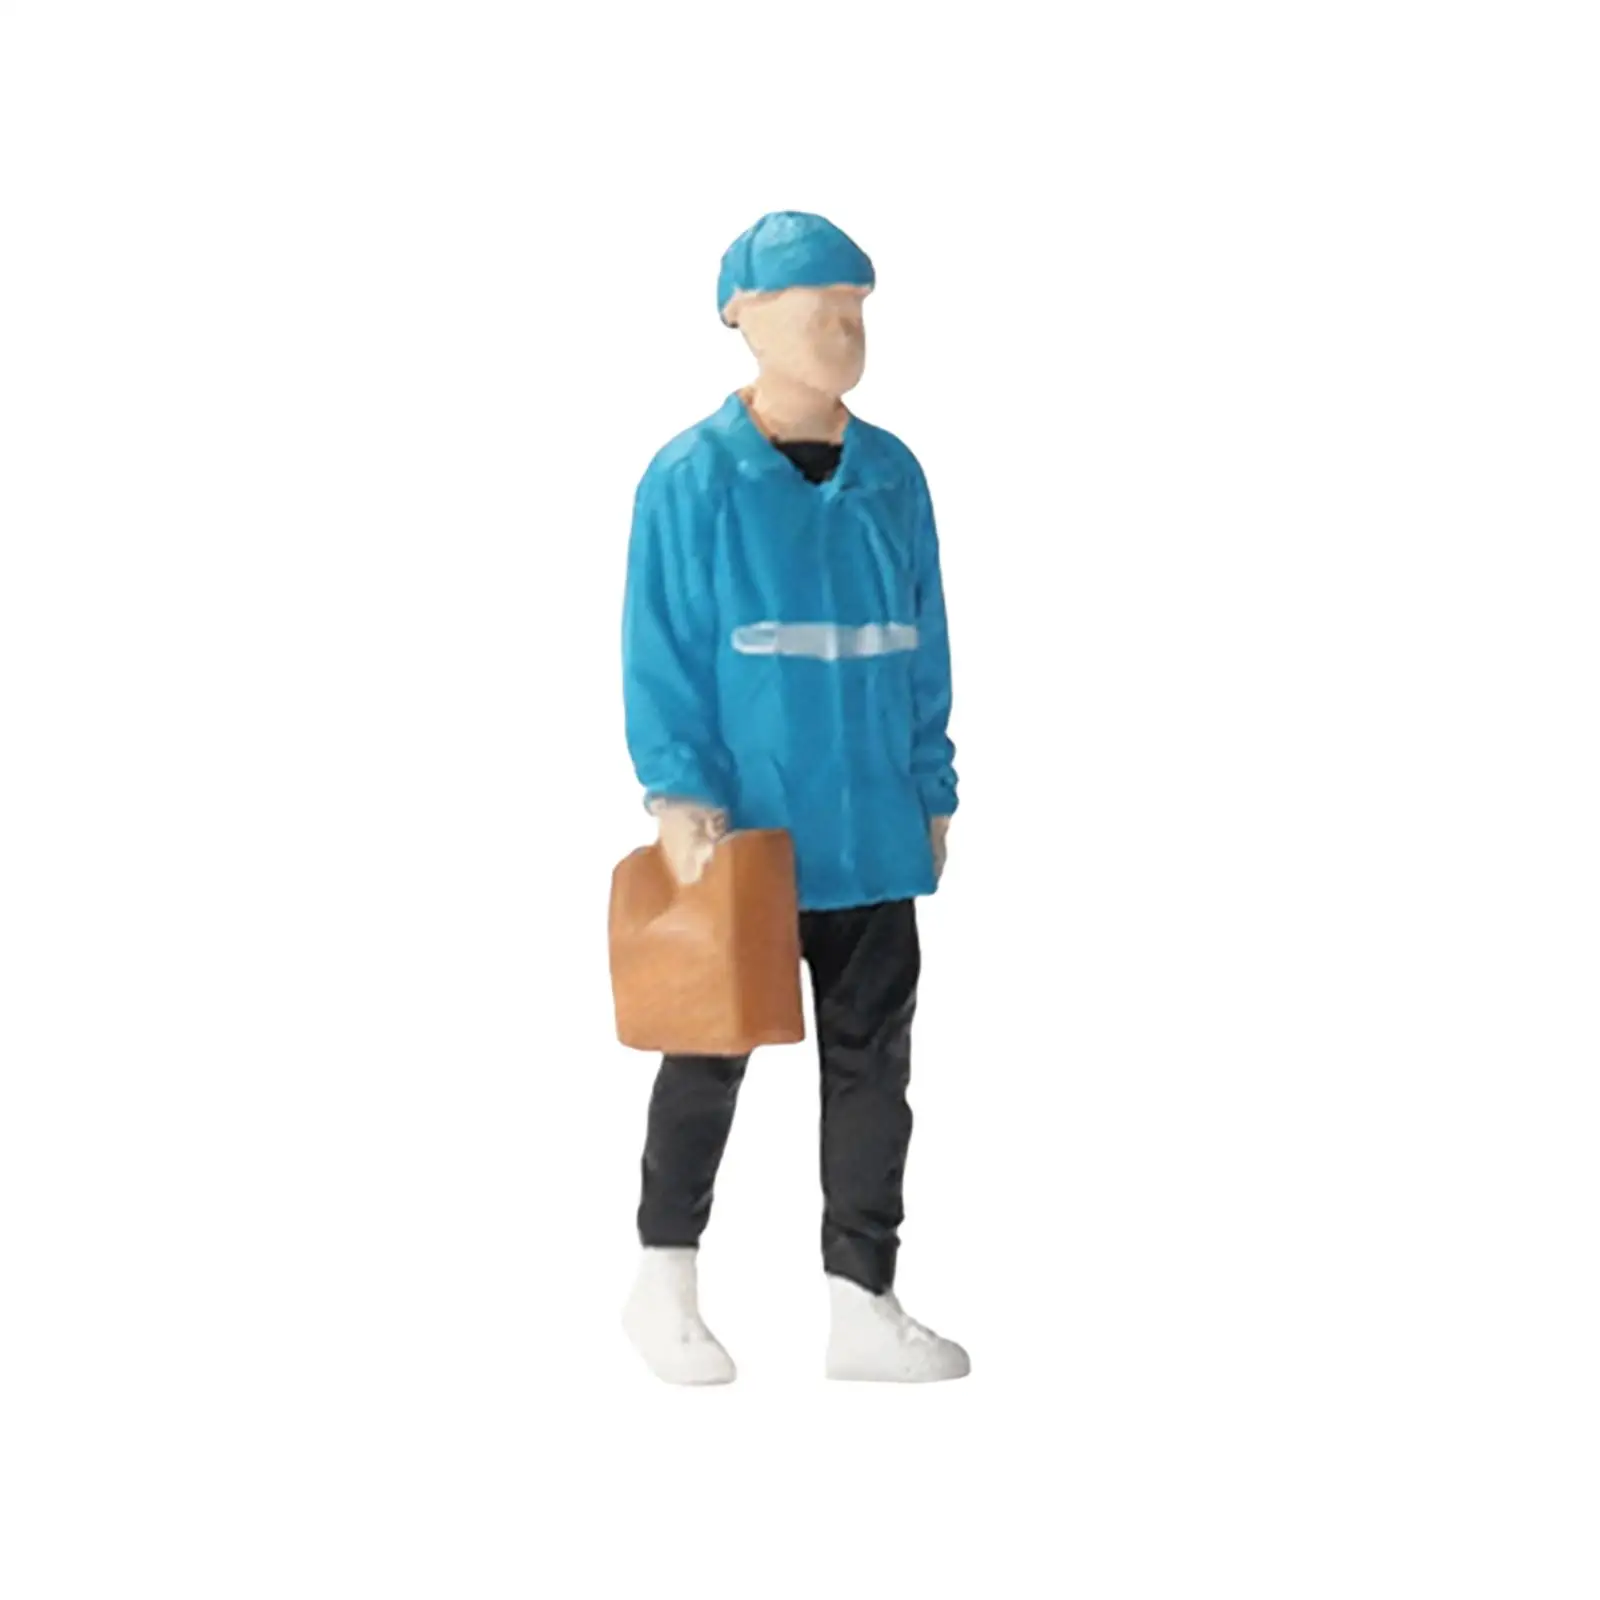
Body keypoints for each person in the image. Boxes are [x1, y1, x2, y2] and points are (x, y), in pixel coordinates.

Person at [619, 211, 968, 1383]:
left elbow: (923, 644)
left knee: (875, 1074)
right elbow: (661, 648)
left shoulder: (893, 475)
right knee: (704, 1055)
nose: (843, 329)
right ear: (745, 319)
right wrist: (678, 791)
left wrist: (932, 786)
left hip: (871, 835)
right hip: (745, 838)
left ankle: (862, 1301)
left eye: (856, 308)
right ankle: (662, 1284)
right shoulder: (691, 480)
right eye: (818, 308)